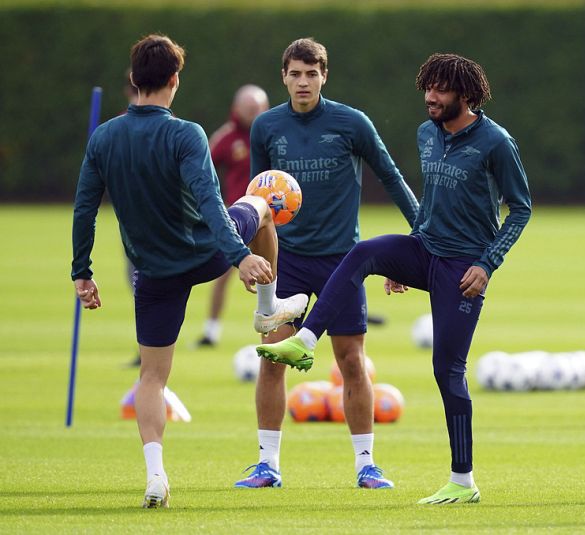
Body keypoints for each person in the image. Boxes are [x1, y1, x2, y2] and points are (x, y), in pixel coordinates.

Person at [255, 52, 532, 505]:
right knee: (364, 253)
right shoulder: (427, 133)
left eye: (440, 90)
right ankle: (305, 340)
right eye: (427, 88)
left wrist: (487, 264)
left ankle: (463, 481)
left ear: (466, 94)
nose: (430, 97)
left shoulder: (496, 142)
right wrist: (404, 258)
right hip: (425, 249)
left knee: (447, 371)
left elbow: (521, 209)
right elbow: (431, 204)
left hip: (462, 268)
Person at [71, 34, 306, 508]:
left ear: (134, 79)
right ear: (175, 80)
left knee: (152, 378)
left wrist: (82, 271)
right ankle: (268, 309)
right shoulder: (187, 134)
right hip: (205, 252)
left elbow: (84, 209)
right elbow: (211, 203)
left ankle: (156, 475)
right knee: (262, 202)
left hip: (152, 271)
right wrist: (240, 257)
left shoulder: (104, 138)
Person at [233, 37, 419, 491]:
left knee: (352, 360)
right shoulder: (266, 127)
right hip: (286, 260)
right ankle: (267, 465)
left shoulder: (351, 123)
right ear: (283, 77)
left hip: (343, 262)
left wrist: (419, 241)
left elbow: (392, 177)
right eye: (295, 74)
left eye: (311, 74)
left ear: (324, 76)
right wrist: (250, 255)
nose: (303, 82)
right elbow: (256, 199)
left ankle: (366, 466)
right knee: (272, 356)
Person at [197, 84, 270, 347]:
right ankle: (211, 332)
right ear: (237, 109)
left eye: (258, 108)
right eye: (249, 108)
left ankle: (282, 328)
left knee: (283, 273)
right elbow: (200, 167)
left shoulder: (273, 135)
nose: (254, 113)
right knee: (222, 274)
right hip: (237, 218)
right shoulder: (227, 137)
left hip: (273, 219)